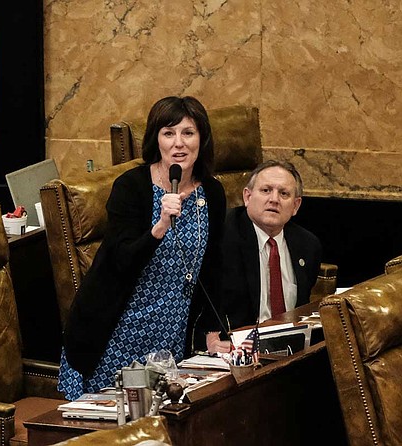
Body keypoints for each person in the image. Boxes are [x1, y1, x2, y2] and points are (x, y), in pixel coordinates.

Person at [58, 96, 231, 400]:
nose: (179, 143)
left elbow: (213, 267)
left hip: (172, 330)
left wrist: (212, 330)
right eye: (169, 133)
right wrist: (160, 226)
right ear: (156, 140)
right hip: (118, 327)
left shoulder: (212, 193)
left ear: (202, 139)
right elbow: (121, 259)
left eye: (188, 133)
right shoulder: (131, 187)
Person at [220, 160, 322, 330]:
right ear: (247, 196)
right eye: (266, 190)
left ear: (295, 206)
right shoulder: (223, 235)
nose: (274, 199)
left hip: (291, 346)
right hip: (236, 345)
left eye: (284, 194)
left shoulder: (308, 245)